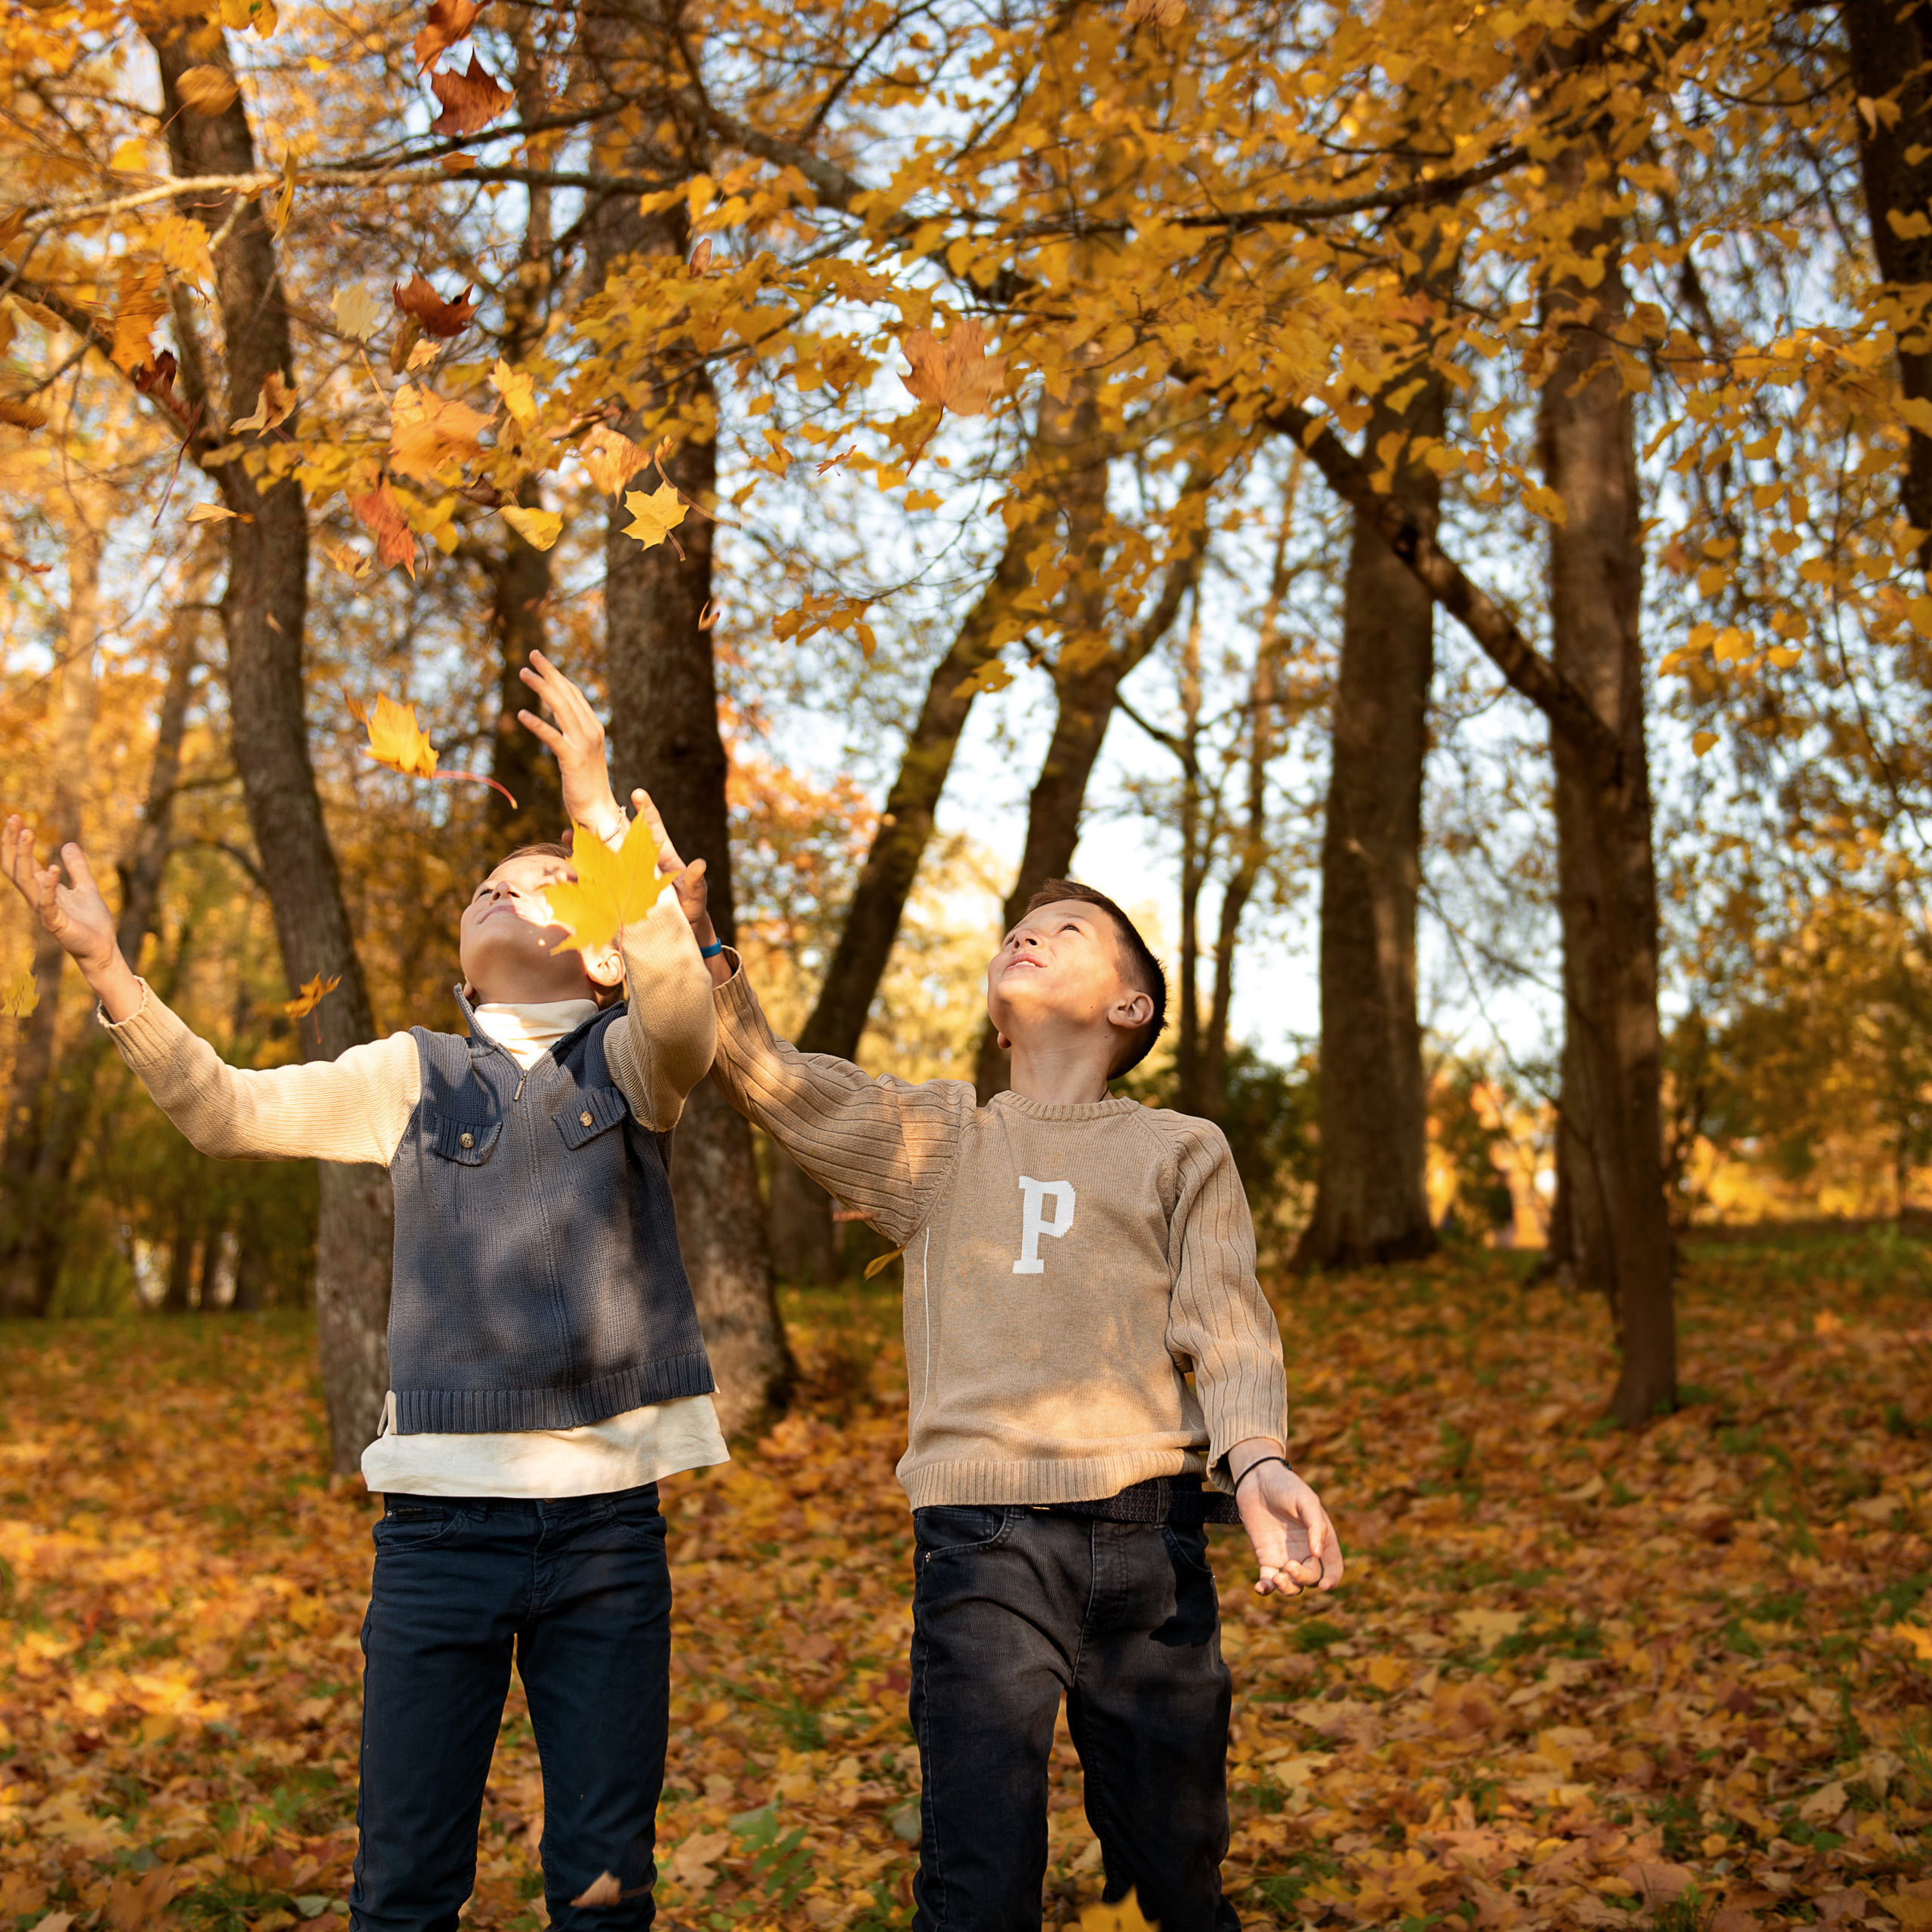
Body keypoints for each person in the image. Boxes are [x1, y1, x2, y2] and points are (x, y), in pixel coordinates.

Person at [1, 654, 716, 1932]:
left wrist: (597, 809)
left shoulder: (636, 1061)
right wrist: (111, 973)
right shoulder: (410, 1073)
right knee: (401, 1888)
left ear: (608, 953)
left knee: (606, 1888)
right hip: (439, 1536)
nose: (506, 890)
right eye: (490, 886)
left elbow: (683, 1000)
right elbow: (226, 1111)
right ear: (462, 950)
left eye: (544, 886)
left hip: (609, 1533)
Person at [620, 766, 1343, 1930]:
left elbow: (1227, 1315)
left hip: (1153, 1541)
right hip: (985, 1542)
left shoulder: (1180, 1148)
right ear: (998, 1013)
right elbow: (780, 1084)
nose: (1033, 934)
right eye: (1022, 928)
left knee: (1178, 1861)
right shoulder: (941, 1138)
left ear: (1130, 1011)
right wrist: (698, 948)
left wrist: (1256, 1462)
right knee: (978, 1874)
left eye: (1071, 932)